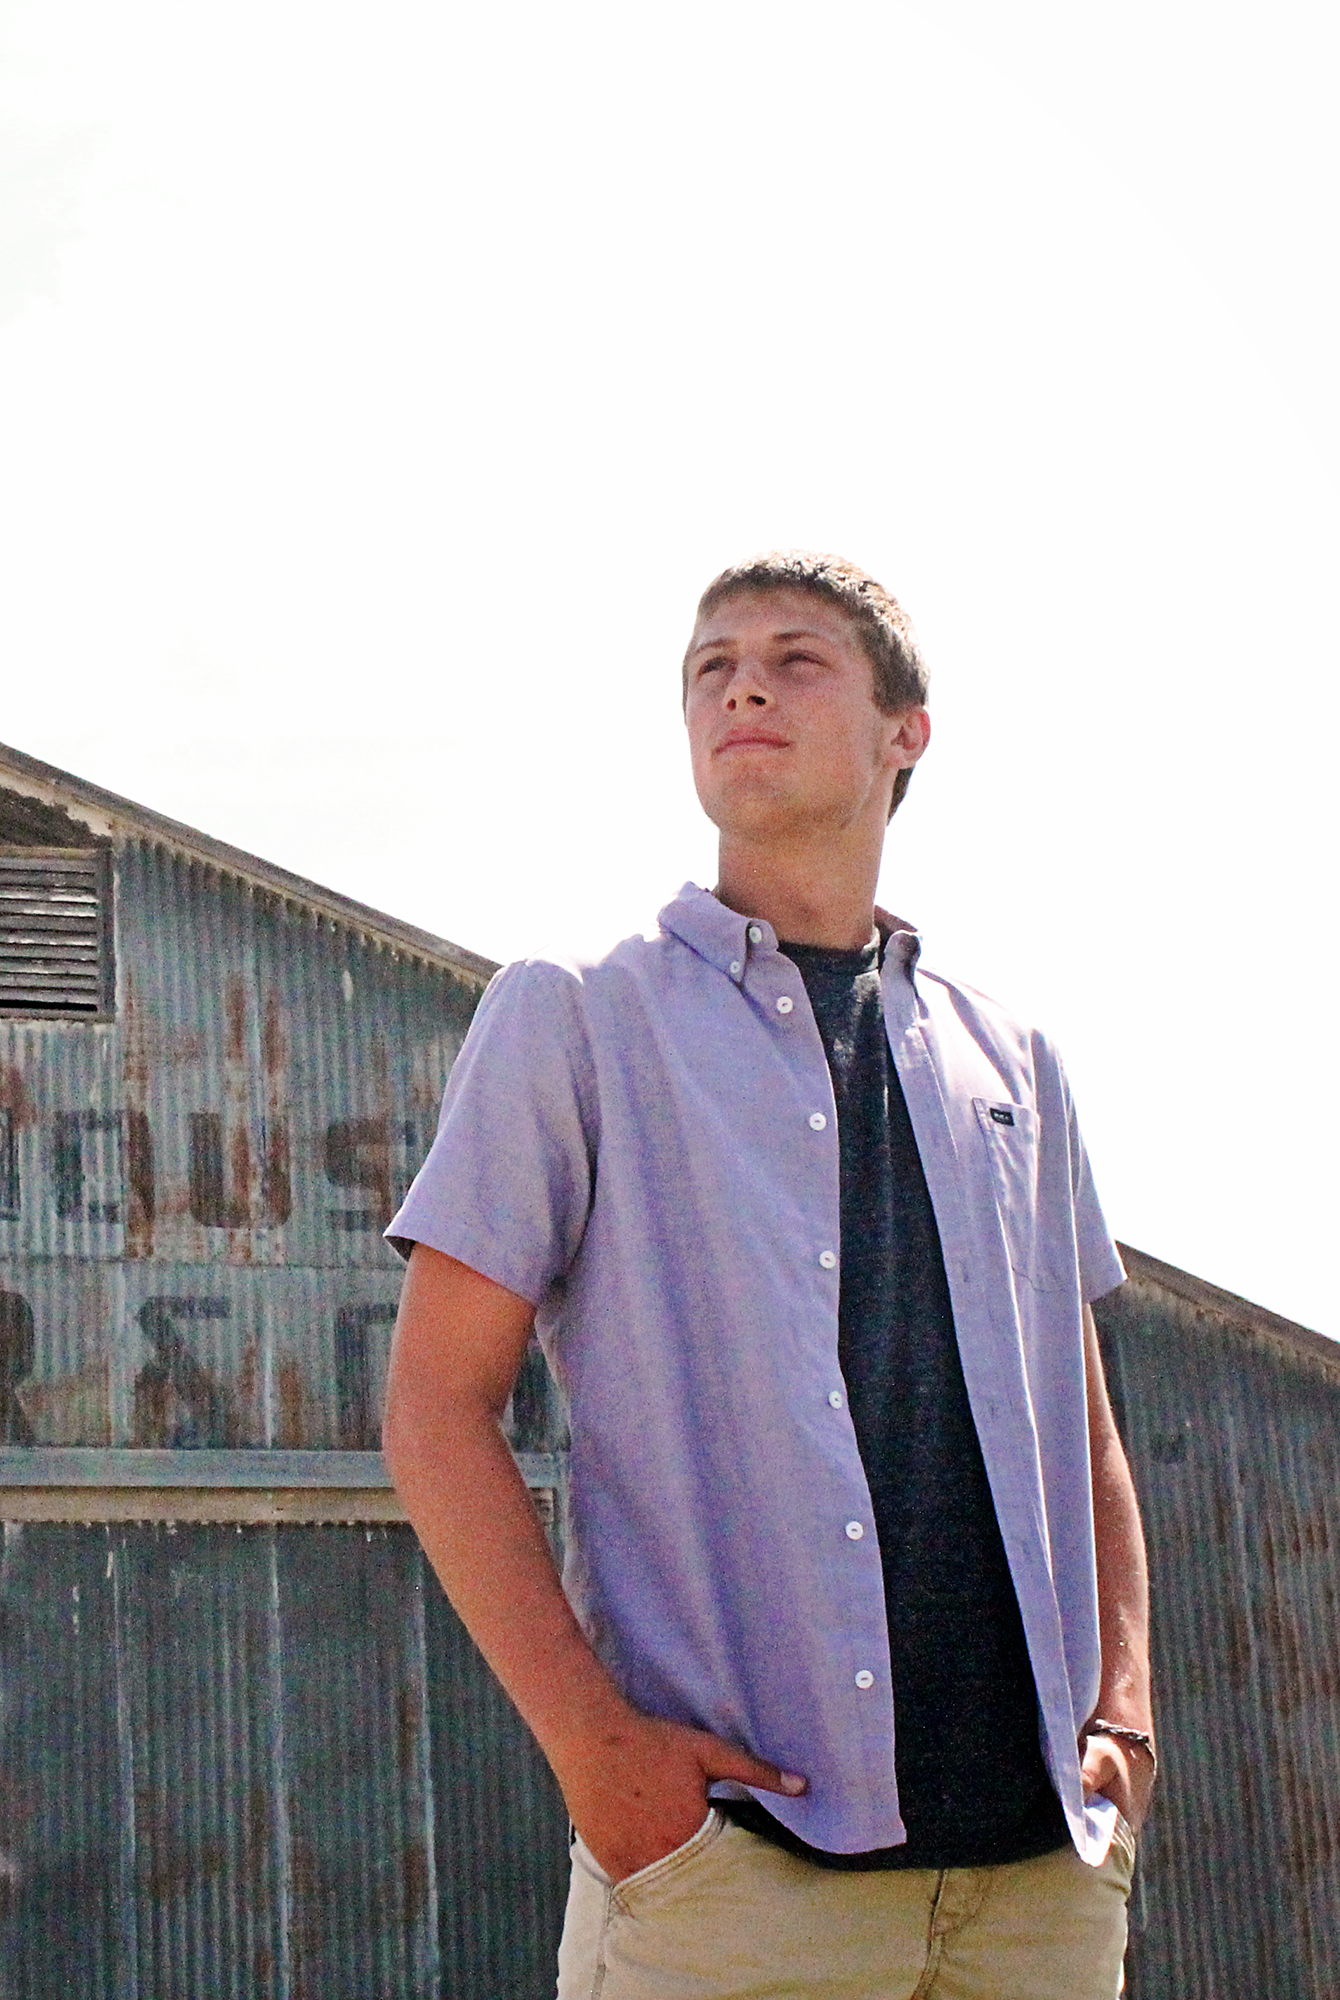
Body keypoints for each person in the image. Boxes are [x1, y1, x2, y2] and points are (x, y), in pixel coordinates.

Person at [382, 552, 1154, 2000]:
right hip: (736, 1877)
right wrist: (598, 1755)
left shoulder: (1015, 1059)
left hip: (1038, 1889)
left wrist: (1127, 1709)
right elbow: (434, 1408)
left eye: (797, 660)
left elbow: (1088, 1426)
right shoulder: (575, 1014)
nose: (742, 687)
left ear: (905, 731)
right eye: (711, 667)